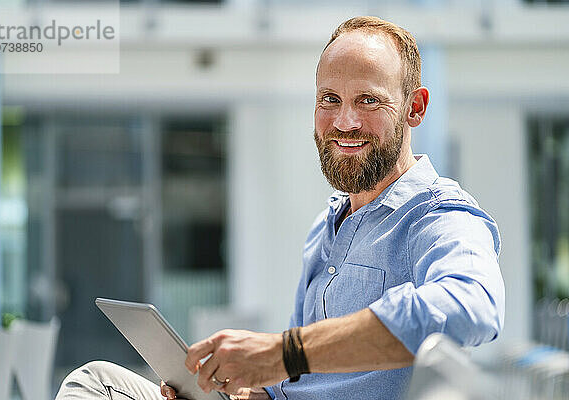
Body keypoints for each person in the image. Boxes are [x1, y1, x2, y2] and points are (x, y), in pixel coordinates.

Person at [55, 16, 505, 400]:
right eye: (330, 99)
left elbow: (472, 307)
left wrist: (284, 351)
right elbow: (297, 379)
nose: (344, 121)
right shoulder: (325, 227)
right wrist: (255, 389)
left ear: (415, 108)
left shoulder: (439, 216)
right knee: (96, 381)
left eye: (368, 100)